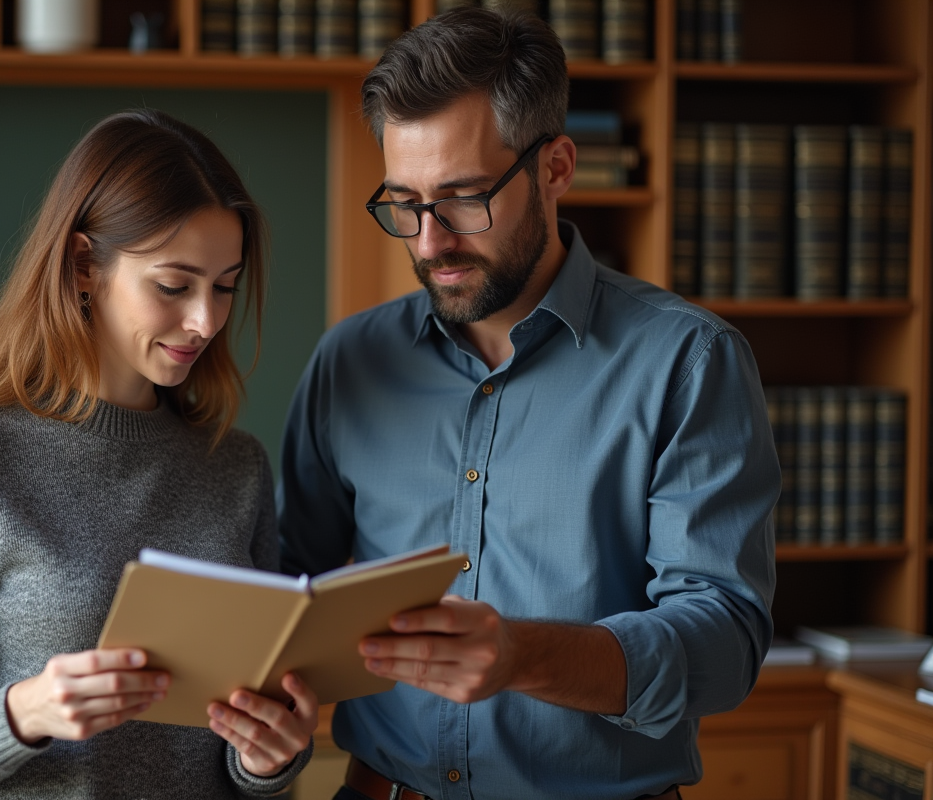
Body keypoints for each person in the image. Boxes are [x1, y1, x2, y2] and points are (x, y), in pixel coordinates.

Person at [277, 9, 778, 800]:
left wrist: (526, 656)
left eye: (465, 198)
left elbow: (724, 644)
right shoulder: (350, 361)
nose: (430, 241)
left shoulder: (688, 361)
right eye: (404, 204)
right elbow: (280, 587)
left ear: (556, 166)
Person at [0, 109, 317, 800]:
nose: (205, 319)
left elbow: (247, 754)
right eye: (174, 285)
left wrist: (271, 761)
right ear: (85, 266)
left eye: (225, 286)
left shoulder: (238, 468)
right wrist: (27, 712)